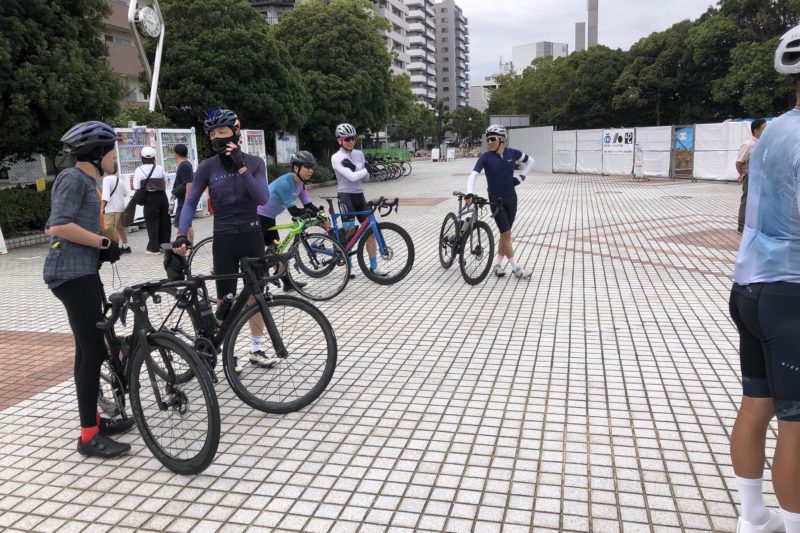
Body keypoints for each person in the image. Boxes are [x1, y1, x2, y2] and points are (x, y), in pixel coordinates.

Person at [729, 24, 800, 533]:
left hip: (748, 287)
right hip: (792, 293)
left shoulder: (772, 129)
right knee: (797, 424)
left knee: (757, 404)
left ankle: (753, 519)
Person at [43, 121, 132, 459]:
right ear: (96, 153)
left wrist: (105, 242)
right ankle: (88, 436)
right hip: (69, 274)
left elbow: (84, 225)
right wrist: (102, 240)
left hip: (83, 272)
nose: (115, 156)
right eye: (111, 150)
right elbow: (58, 225)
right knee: (93, 352)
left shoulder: (88, 181)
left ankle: (94, 421)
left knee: (88, 350)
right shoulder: (72, 178)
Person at [173, 108, 273, 367]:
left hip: (252, 234)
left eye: (222, 132)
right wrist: (182, 234)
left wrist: (241, 167)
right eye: (213, 134)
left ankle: (257, 348)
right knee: (224, 299)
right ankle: (229, 352)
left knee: (256, 294)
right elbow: (190, 201)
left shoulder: (255, 163)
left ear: (236, 132)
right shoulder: (207, 167)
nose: (217, 137)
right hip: (224, 238)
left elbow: (262, 197)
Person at [465, 124, 535, 279]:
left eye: (492, 139)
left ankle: (497, 265)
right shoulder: (485, 157)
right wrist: (470, 191)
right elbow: (474, 174)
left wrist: (521, 177)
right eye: (487, 139)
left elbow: (530, 161)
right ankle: (516, 268)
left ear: (502, 139)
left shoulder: (512, 153)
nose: (489, 142)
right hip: (496, 201)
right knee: (507, 233)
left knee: (505, 235)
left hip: (512, 198)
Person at [258, 150, 319, 291]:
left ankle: (287, 283)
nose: (311, 170)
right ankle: (257, 289)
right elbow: (295, 212)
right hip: (257, 217)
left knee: (276, 251)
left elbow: (308, 206)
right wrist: (313, 215)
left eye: (312, 167)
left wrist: (321, 214)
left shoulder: (301, 184)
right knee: (257, 256)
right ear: (296, 168)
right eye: (307, 167)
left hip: (270, 218)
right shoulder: (285, 183)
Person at [331, 123, 385, 277]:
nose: (350, 141)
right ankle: (350, 267)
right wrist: (362, 169)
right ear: (339, 140)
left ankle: (374, 267)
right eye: (347, 138)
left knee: (370, 232)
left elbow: (365, 178)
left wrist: (359, 169)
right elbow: (352, 177)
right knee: (350, 233)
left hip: (359, 195)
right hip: (345, 196)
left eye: (353, 138)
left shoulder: (359, 154)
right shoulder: (336, 157)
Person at [133, 146, 170, 255]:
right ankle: (165, 246)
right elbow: (165, 182)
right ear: (154, 158)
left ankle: (154, 249)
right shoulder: (159, 168)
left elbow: (136, 187)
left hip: (150, 198)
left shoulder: (139, 170)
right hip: (162, 197)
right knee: (165, 221)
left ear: (142, 158)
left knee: (152, 222)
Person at [735, 118, 767, 234]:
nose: (766, 130)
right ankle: (741, 226)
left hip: (761, 177)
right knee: (747, 200)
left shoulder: (762, 144)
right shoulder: (748, 144)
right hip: (750, 177)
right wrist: (743, 174)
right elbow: (739, 162)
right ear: (756, 131)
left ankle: (755, 224)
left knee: (758, 201)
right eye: (764, 128)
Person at [101, 170, 131, 254]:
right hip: (121, 208)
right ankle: (126, 246)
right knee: (119, 228)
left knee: (110, 230)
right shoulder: (119, 180)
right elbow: (125, 193)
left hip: (111, 209)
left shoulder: (106, 179)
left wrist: (101, 208)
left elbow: (105, 196)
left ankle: (113, 250)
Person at [171, 144, 194, 244]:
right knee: (187, 225)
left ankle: (185, 245)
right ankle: (190, 246)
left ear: (176, 153)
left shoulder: (184, 166)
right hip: (183, 200)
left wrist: (187, 202)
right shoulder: (185, 165)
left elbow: (189, 183)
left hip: (184, 201)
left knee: (181, 224)